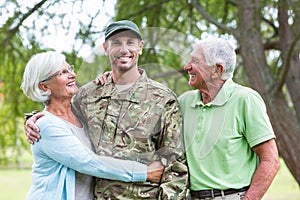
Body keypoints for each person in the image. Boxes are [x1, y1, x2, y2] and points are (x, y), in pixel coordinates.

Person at [25, 20, 189, 199]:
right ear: (105, 48)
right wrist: (34, 120)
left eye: (130, 43)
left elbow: (175, 165)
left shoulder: (163, 98)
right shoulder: (88, 95)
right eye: (116, 43)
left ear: (140, 47)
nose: (124, 49)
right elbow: (58, 117)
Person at [21, 51, 164, 200]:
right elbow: (89, 162)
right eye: (63, 72)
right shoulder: (45, 126)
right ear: (44, 87)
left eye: (70, 68)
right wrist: (144, 172)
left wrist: (110, 81)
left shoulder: (80, 115)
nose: (72, 75)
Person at [178, 38, 280, 200]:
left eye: (195, 61)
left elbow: (271, 160)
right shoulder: (184, 102)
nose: (187, 66)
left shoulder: (245, 100)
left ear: (217, 70)